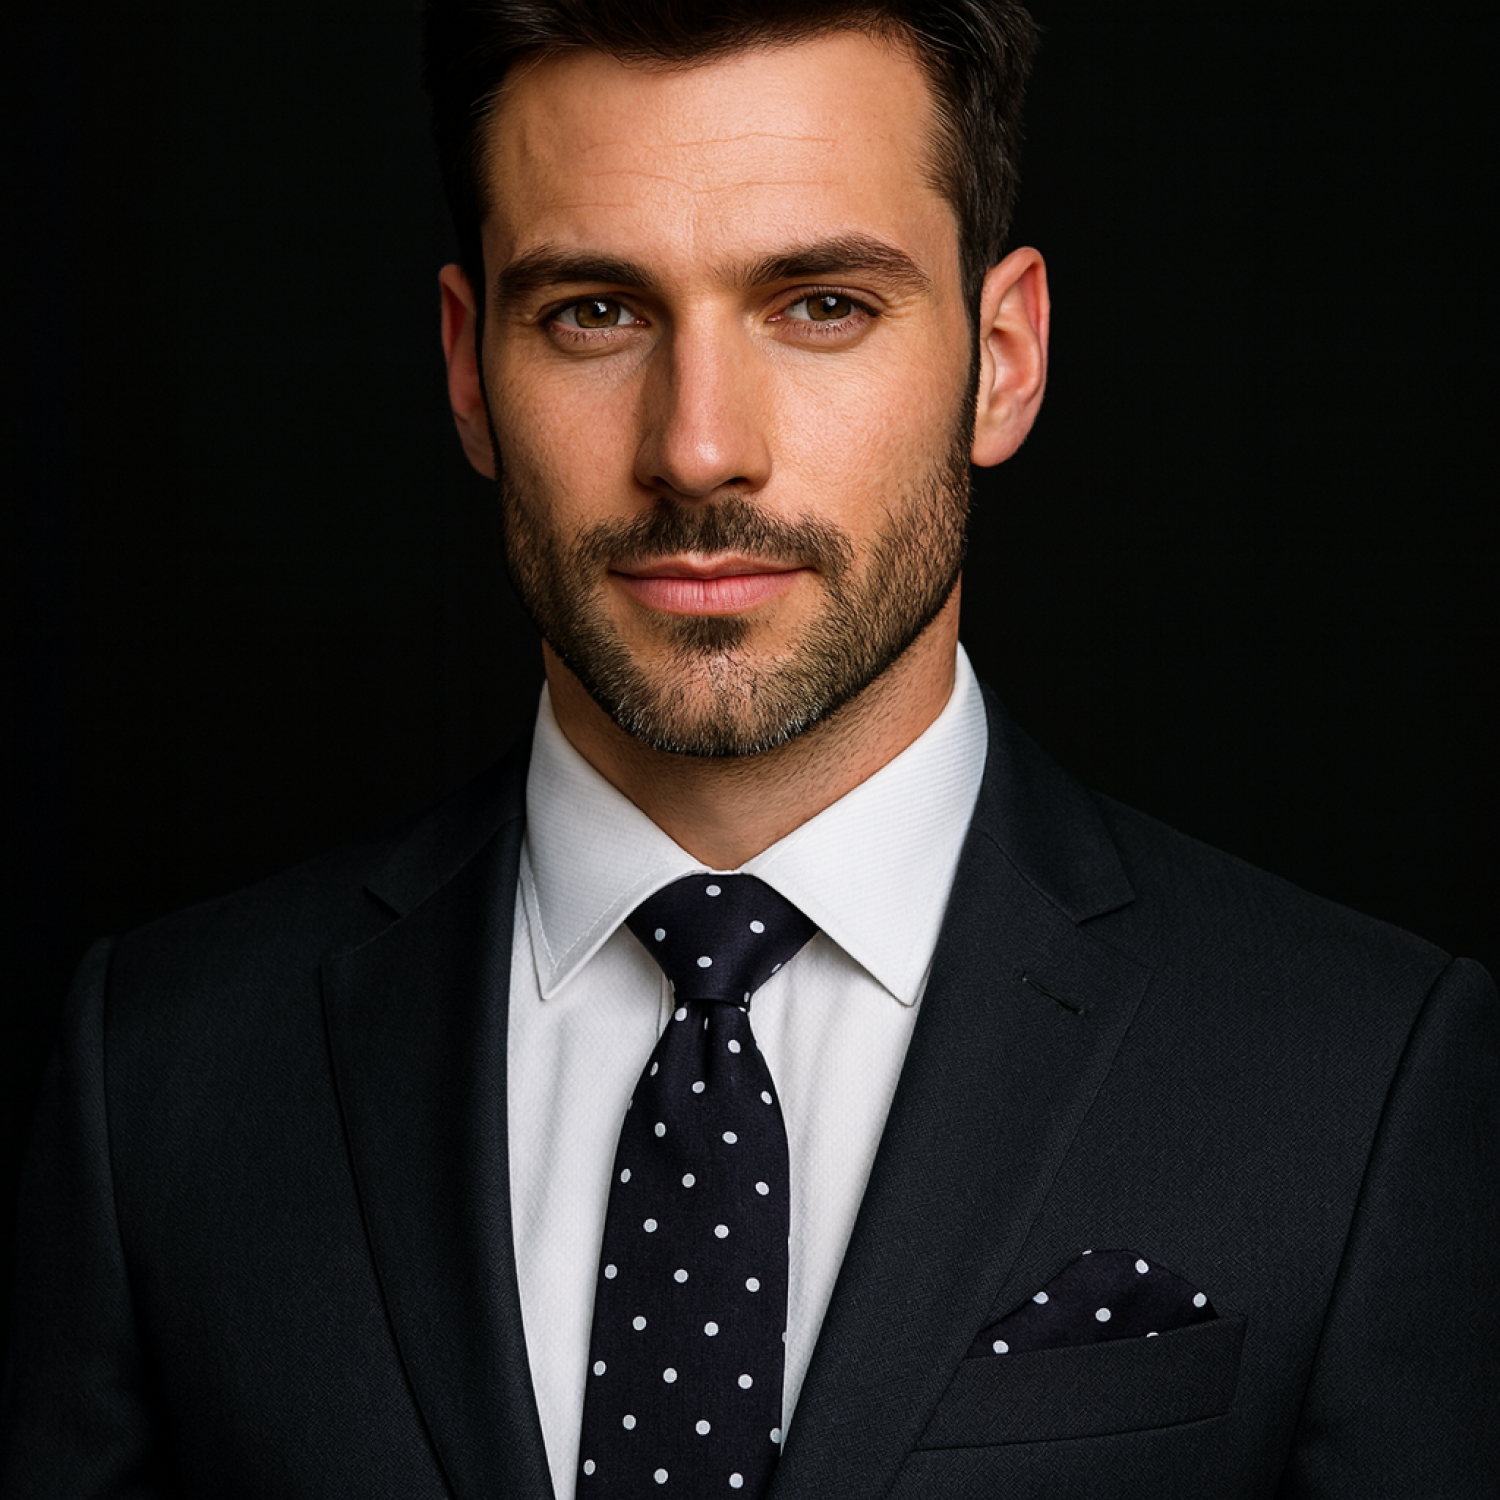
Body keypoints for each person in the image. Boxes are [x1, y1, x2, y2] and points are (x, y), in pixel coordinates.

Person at [3, 1, 1495, 1495]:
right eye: (594, 310)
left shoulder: (1362, 1079)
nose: (699, 446)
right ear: (468, 370)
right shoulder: (161, 1075)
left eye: (822, 304)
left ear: (1004, 355)